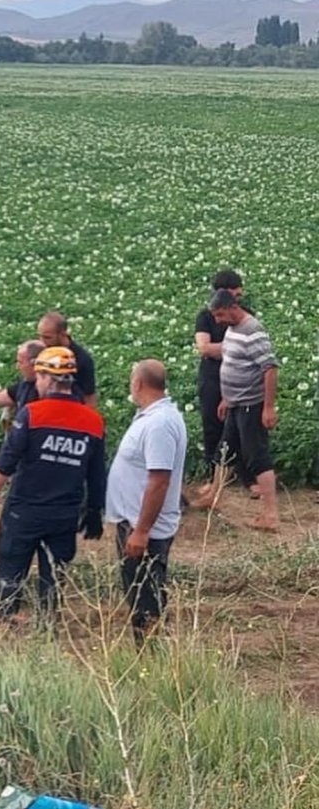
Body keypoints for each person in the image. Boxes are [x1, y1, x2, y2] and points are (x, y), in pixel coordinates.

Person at [0, 346, 106, 619]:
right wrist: (94, 510)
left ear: (47, 378)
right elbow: (96, 473)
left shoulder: (33, 414)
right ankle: (47, 633)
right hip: (65, 515)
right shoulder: (93, 422)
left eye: (38, 377)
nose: (36, 383)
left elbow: (7, 460)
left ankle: (3, 628)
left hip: (25, 511)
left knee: (9, 575)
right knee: (53, 581)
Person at [105, 360, 187, 643]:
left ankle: (152, 659)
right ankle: (149, 654)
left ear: (138, 384)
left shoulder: (159, 424)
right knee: (139, 594)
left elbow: (159, 480)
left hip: (145, 528)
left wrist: (141, 531)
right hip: (136, 522)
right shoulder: (152, 417)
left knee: (146, 598)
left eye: (131, 381)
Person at [191, 290, 279, 530]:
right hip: (236, 404)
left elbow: (270, 368)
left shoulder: (253, 330)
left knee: (257, 457)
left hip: (252, 405)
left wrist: (268, 407)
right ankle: (214, 497)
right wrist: (227, 399)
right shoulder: (232, 329)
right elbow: (231, 361)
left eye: (220, 314)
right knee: (224, 451)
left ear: (232, 307)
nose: (217, 320)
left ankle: (270, 515)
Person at [193, 269, 253, 492]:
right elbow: (204, 348)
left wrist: (223, 349)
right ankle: (213, 476)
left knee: (242, 425)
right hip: (212, 378)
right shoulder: (206, 315)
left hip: (239, 376)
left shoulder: (246, 314)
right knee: (212, 425)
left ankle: (246, 475)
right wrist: (235, 347)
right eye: (235, 292)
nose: (239, 296)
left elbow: (251, 346)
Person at [37, 311, 97, 407]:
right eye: (39, 336)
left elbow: (89, 395)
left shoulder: (82, 359)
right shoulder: (42, 351)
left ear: (62, 334)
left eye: (47, 337)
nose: (42, 342)